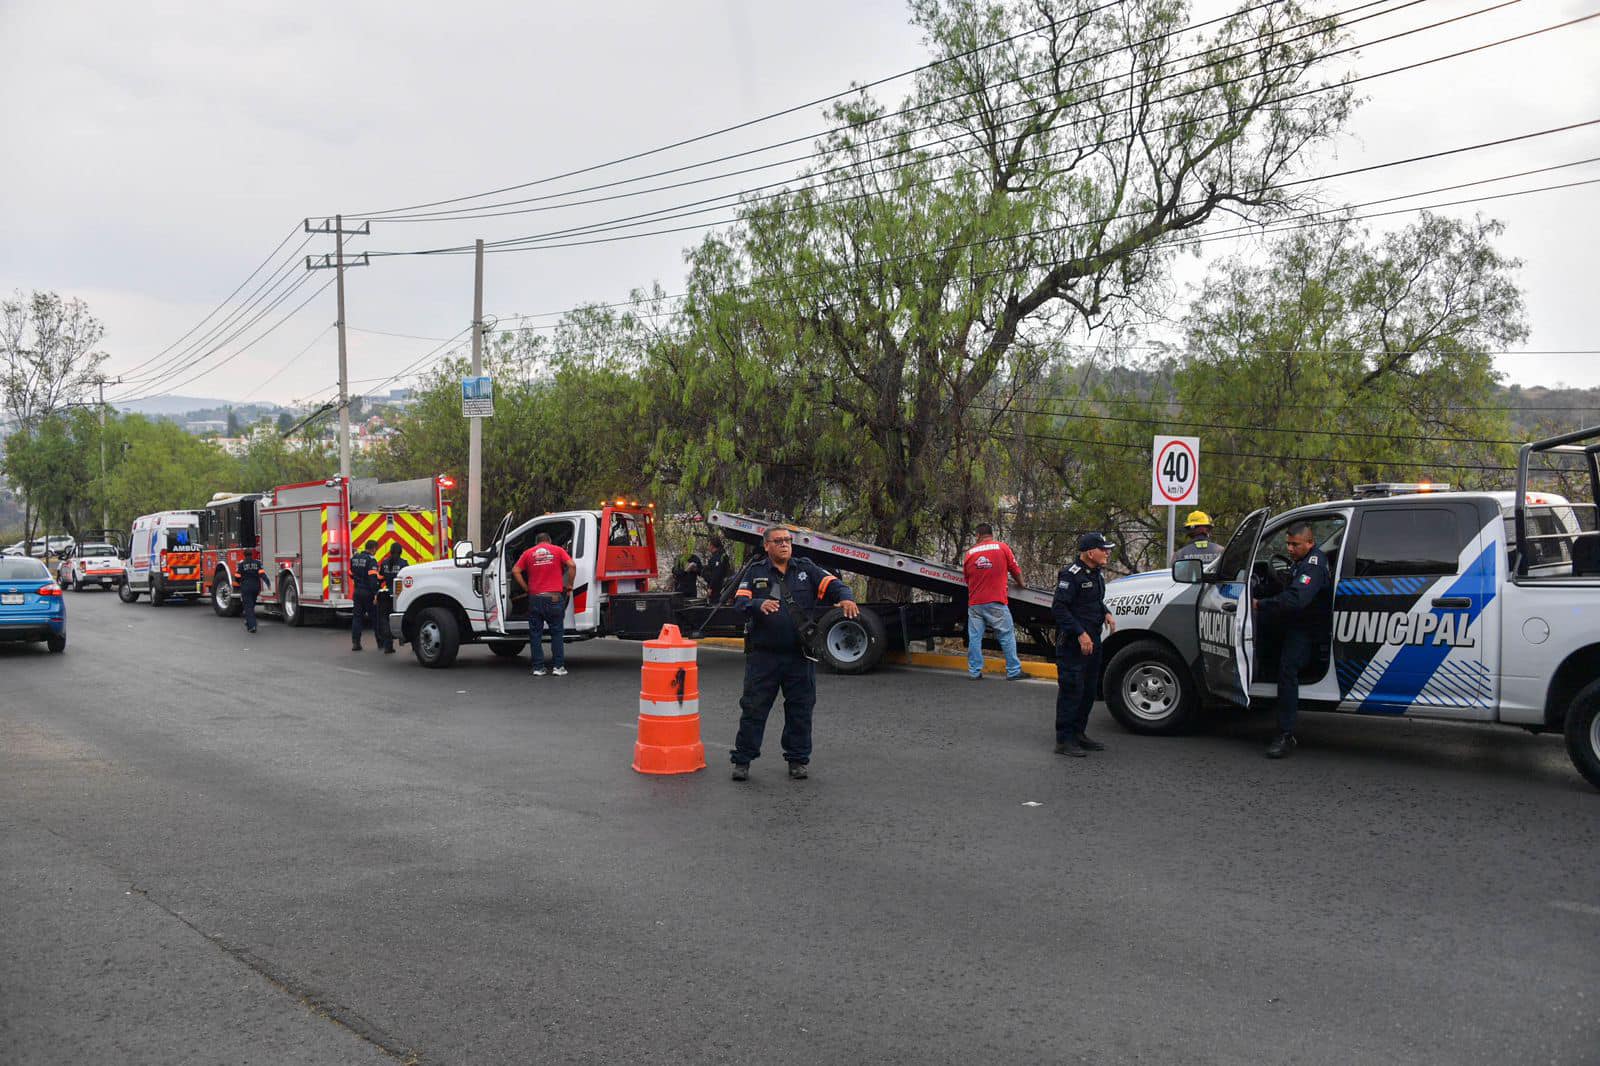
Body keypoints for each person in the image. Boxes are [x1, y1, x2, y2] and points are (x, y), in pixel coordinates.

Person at [730, 524, 858, 781]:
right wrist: (758, 603)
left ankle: (797, 760)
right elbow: (739, 603)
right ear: (766, 546)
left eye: (788, 540)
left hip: (798, 656)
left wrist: (847, 597)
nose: (784, 545)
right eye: (778, 541)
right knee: (754, 708)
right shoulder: (755, 573)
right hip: (763, 657)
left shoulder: (805, 569)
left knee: (800, 709)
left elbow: (834, 585)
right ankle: (743, 760)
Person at [1252, 522, 1332, 759]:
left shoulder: (1313, 566)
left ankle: (1285, 735)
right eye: (1287, 543)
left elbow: (1296, 599)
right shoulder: (1303, 561)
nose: (1289, 548)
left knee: (1287, 671)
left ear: (1310, 543)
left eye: (1295, 544)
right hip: (1297, 624)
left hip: (1308, 630)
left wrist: (1260, 604)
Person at [1052, 532, 1117, 757]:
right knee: (1072, 690)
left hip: (1093, 641)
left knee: (1089, 691)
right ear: (1091, 552)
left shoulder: (1096, 574)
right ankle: (1064, 740)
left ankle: (1079, 734)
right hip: (1073, 644)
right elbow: (1059, 608)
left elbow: (1095, 601)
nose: (1108, 552)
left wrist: (1106, 612)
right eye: (1104, 549)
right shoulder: (1071, 575)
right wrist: (1080, 633)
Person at [963, 522, 1026, 681]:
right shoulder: (1002, 547)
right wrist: (1022, 584)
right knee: (1006, 635)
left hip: (975, 603)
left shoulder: (970, 553)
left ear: (978, 535)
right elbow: (1015, 569)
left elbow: (967, 578)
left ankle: (974, 672)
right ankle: (1013, 671)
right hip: (996, 601)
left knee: (975, 638)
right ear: (991, 534)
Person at [513, 532, 576, 677]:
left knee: (535, 634)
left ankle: (538, 668)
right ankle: (558, 667)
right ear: (549, 540)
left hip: (535, 599)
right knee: (557, 633)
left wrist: (526, 588)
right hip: (554, 598)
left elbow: (516, 570)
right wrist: (570, 585)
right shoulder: (558, 550)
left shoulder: (528, 553)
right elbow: (571, 565)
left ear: (537, 542)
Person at [349, 539, 381, 651]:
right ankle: (380, 642)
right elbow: (373, 579)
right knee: (375, 618)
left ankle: (356, 643)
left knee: (357, 618)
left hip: (357, 592)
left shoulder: (354, 558)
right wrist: (376, 593)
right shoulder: (371, 561)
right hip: (368, 593)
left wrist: (357, 580)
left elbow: (350, 573)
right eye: (376, 549)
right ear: (373, 549)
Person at [376, 544, 405, 654]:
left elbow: (379, 578)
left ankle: (388, 646)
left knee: (385, 620)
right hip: (400, 596)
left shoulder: (384, 563)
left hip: (386, 595)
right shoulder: (403, 564)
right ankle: (409, 643)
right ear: (401, 552)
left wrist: (377, 593)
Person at [238, 550, 269, 634]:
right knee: (251, 605)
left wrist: (240, 584)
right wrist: (268, 583)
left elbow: (237, 576)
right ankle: (248, 621)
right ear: (251, 555)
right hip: (255, 588)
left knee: (248, 607)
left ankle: (252, 626)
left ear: (244, 555)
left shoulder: (241, 564)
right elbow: (262, 574)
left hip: (246, 588)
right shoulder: (257, 563)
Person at [702, 535, 731, 602]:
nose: (708, 547)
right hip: (722, 587)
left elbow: (716, 574)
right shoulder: (723, 555)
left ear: (712, 546)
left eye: (709, 545)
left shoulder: (718, 557)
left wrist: (711, 588)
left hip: (717, 589)